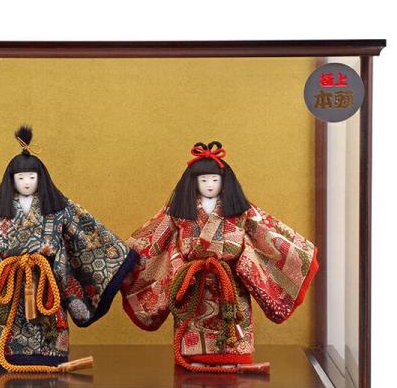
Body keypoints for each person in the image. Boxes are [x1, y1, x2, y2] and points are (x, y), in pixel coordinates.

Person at [0, 125, 138, 373]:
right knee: (8, 325)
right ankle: (7, 353)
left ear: (40, 178)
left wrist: (119, 256)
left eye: (31, 177)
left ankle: (50, 353)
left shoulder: (59, 207)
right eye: (21, 178)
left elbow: (88, 233)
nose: (26, 182)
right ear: (11, 180)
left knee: (48, 321)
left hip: (47, 282)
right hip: (10, 283)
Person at [121, 141, 319, 374]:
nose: (209, 185)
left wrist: (297, 253)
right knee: (191, 322)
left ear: (224, 182)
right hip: (193, 283)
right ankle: (195, 356)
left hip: (230, 283)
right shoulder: (180, 211)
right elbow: (158, 240)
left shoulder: (240, 210)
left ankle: (231, 357)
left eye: (215, 180)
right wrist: (127, 260)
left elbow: (267, 233)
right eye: (204, 180)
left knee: (232, 320)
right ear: (194, 182)